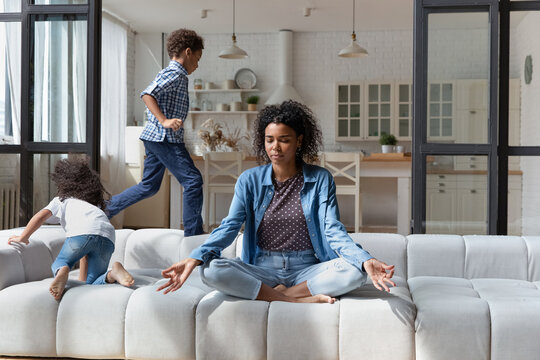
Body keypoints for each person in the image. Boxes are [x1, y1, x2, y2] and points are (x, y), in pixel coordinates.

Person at [157, 100, 395, 303]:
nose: (275, 147)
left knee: (355, 271)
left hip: (308, 268)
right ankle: (296, 300)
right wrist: (195, 256)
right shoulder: (248, 180)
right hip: (262, 268)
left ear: (299, 141)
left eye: (284, 140)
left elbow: (333, 231)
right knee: (211, 270)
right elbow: (229, 227)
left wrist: (366, 260)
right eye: (269, 139)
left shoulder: (321, 179)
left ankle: (283, 296)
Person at [107, 28, 205, 236]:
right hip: (164, 138)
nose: (197, 65)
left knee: (149, 186)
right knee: (193, 181)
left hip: (156, 138)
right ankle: (194, 236)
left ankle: (103, 210)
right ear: (188, 52)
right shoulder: (175, 74)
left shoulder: (176, 74)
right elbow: (147, 94)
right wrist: (164, 121)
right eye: (197, 58)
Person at [7, 157, 134, 301]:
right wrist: (81, 282)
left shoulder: (62, 200)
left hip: (81, 234)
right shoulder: (94, 206)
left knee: (60, 262)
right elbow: (87, 252)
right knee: (92, 284)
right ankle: (113, 273)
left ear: (65, 183)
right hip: (107, 236)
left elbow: (40, 216)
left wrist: (24, 236)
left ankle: (62, 269)